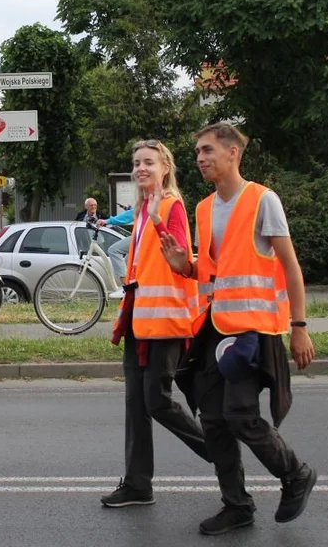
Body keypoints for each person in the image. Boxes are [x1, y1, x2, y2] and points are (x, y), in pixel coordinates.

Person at [160, 122, 316, 536]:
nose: (199, 158)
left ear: (234, 153)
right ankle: (237, 506)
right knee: (212, 420)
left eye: (207, 150)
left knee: (240, 415)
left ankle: (296, 474)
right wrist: (186, 267)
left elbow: (290, 267)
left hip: (253, 329)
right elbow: (214, 271)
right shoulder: (205, 208)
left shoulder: (263, 200)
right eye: (197, 152)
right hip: (216, 329)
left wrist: (299, 327)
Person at [99, 139, 209, 509]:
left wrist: (161, 220)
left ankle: (217, 451)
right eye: (136, 162)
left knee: (157, 402)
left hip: (165, 319)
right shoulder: (144, 207)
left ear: (165, 167)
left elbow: (177, 252)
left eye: (149, 162)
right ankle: (137, 484)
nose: (141, 168)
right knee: (136, 405)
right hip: (139, 319)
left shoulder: (169, 205)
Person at [97, 207, 134, 296]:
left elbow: (130, 215)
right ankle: (131, 287)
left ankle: (127, 288)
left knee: (114, 250)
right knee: (127, 261)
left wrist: (108, 221)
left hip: (143, 237)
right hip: (147, 236)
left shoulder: (147, 199)